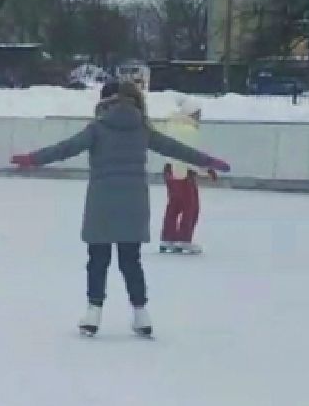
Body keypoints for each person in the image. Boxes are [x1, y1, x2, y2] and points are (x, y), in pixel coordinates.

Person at [12, 81, 228, 337]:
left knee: (98, 260)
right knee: (131, 261)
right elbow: (175, 148)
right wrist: (207, 161)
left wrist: (33, 159)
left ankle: (93, 313)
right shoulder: (142, 129)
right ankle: (141, 315)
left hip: (102, 201)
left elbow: (66, 148)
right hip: (134, 202)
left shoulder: (98, 128)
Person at [157, 96, 212, 255]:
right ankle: (184, 238)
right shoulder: (188, 130)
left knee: (174, 204)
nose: (199, 117)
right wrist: (206, 169)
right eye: (198, 113)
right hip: (183, 171)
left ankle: (168, 237)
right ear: (191, 113)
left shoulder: (173, 126)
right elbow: (190, 155)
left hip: (169, 169)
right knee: (191, 206)